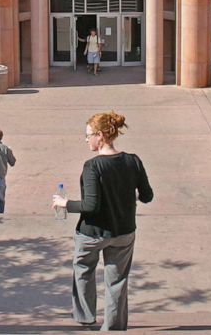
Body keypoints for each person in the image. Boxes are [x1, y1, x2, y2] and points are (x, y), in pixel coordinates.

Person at [52, 111, 153, 331]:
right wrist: (126, 194)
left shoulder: (93, 166)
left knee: (83, 270)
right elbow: (147, 196)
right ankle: (113, 326)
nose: (86, 139)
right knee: (117, 281)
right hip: (123, 232)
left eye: (88, 135)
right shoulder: (133, 161)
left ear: (100, 135)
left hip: (92, 233)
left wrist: (64, 203)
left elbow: (90, 206)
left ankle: (87, 318)